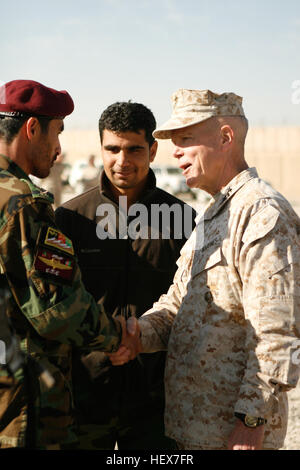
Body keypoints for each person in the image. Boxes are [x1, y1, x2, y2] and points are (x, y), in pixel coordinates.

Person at [110, 89, 300, 450]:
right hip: (193, 431)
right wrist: (136, 333)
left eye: (185, 140)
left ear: (226, 137)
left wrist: (251, 422)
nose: (175, 151)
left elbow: (277, 333)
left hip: (234, 436)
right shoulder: (212, 216)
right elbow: (177, 306)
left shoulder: (262, 213)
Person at [55, 101, 196, 449]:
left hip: (157, 397)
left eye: (134, 149)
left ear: (152, 150)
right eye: (112, 149)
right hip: (87, 395)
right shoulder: (71, 219)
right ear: (100, 148)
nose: (122, 161)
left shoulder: (184, 220)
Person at [0, 80, 132, 449]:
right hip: (24, 413)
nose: (59, 149)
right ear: (31, 128)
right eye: (56, 132)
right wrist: (116, 337)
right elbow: (57, 307)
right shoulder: (22, 204)